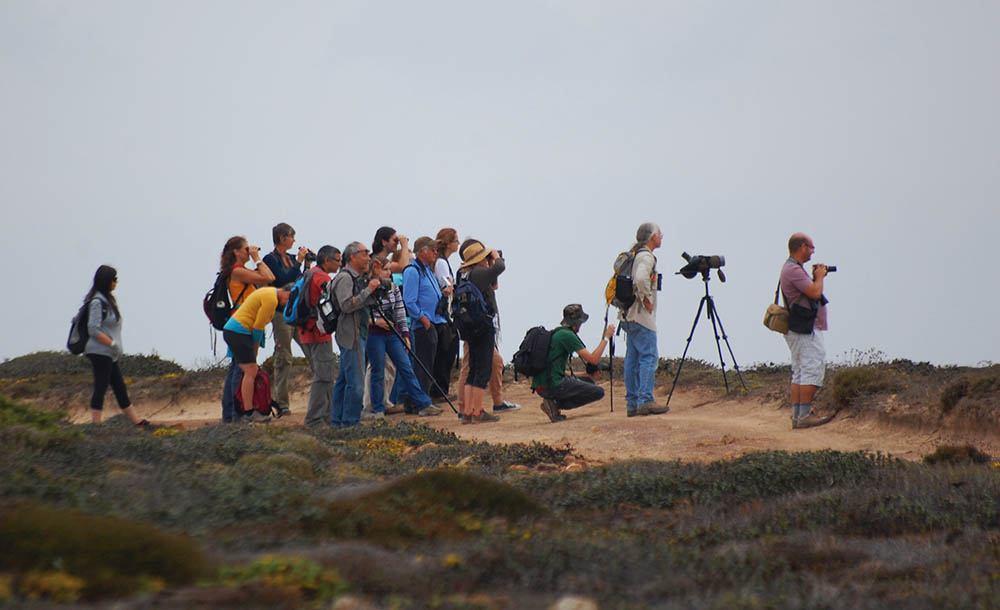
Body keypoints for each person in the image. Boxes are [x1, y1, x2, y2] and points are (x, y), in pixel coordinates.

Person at [367, 255, 442, 418]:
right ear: (376, 269)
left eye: (389, 270)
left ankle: (423, 404)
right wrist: (375, 322)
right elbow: (360, 313)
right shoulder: (366, 287)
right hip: (374, 335)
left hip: (393, 333)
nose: (388, 273)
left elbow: (400, 311)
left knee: (407, 368)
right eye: (385, 270)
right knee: (378, 371)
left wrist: (405, 334)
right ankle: (378, 409)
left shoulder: (393, 287)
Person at [219, 236, 275, 423]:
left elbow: (268, 279)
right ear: (236, 251)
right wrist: (257, 258)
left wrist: (255, 259)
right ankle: (237, 414)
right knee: (240, 369)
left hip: (243, 322)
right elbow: (269, 277)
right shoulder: (237, 272)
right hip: (242, 324)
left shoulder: (241, 271)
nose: (248, 251)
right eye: (245, 249)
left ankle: (230, 414)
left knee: (237, 367)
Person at [81, 265, 147, 425]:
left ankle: (137, 422)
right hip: (100, 352)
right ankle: (96, 425)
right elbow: (93, 329)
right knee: (101, 387)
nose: (116, 282)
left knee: (119, 387)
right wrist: (111, 343)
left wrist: (114, 347)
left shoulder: (108, 300)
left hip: (110, 354)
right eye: (114, 279)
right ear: (107, 281)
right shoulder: (97, 301)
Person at [780, 232, 833, 430]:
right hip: (805, 328)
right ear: (802, 247)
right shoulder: (793, 270)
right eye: (811, 247)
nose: (813, 251)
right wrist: (819, 277)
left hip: (799, 328)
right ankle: (804, 415)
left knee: (800, 370)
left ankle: (798, 414)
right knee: (811, 367)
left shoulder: (791, 268)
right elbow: (814, 292)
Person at [531, 304, 615, 422]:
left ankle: (551, 403)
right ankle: (554, 404)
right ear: (577, 323)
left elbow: (559, 371)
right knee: (598, 392)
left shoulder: (557, 333)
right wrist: (606, 337)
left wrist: (586, 375)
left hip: (542, 385)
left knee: (589, 381)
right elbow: (593, 359)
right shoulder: (568, 335)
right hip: (553, 386)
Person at [262, 223, 312, 417]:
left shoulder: (292, 259)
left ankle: (324, 398)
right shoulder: (270, 259)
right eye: (291, 237)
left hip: (297, 313)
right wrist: (299, 262)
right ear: (282, 238)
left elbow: (300, 281)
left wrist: (306, 265)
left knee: (312, 351)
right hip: (281, 313)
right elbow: (284, 279)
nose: (294, 241)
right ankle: (282, 404)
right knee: (284, 358)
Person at [222, 285, 292, 423]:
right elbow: (258, 327)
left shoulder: (269, 292)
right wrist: (255, 352)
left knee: (238, 371)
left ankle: (232, 414)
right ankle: (248, 412)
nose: (287, 302)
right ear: (285, 290)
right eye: (289, 298)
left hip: (234, 330)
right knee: (251, 371)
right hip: (239, 332)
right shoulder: (271, 299)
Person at [620, 222, 669, 418]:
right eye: (660, 234)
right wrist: (647, 299)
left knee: (632, 358)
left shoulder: (633, 254)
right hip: (640, 316)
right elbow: (641, 279)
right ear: (652, 237)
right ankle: (645, 400)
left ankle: (632, 403)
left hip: (627, 314)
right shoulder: (646, 257)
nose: (661, 237)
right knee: (648, 357)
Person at [330, 242, 380, 427]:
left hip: (356, 333)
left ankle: (337, 422)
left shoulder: (356, 277)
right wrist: (369, 289)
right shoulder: (345, 278)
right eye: (365, 253)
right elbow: (346, 305)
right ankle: (350, 423)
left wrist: (372, 279)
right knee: (356, 384)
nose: (368, 257)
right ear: (352, 256)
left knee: (343, 381)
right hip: (352, 334)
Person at [455, 239, 505, 424]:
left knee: (473, 369)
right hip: (483, 325)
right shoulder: (478, 273)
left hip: (468, 326)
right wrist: (496, 256)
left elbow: (493, 283)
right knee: (482, 370)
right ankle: (477, 411)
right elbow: (500, 267)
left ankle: (468, 411)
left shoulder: (463, 273)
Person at [402, 236, 453, 413]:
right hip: (423, 326)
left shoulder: (426, 270)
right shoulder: (412, 271)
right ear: (422, 251)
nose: (435, 253)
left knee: (428, 365)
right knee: (421, 366)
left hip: (433, 322)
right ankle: (417, 404)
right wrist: (423, 319)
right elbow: (409, 301)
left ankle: (423, 400)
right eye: (432, 250)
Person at [298, 245, 341, 427]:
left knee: (324, 374)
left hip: (307, 330)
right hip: (318, 332)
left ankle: (328, 415)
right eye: (337, 260)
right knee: (323, 376)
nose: (339, 264)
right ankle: (315, 419)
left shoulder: (310, 273)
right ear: (327, 261)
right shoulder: (321, 277)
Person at [431, 227, 461, 403]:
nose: (457, 244)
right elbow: (446, 285)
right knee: (446, 353)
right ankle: (439, 391)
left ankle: (440, 390)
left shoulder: (443, 261)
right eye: (455, 240)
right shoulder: (441, 263)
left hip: (443, 315)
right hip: (443, 316)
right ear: (448, 243)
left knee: (445, 353)